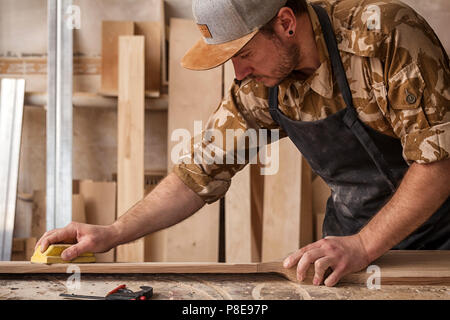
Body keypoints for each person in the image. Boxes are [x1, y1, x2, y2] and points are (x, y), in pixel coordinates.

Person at [36, 0, 450, 287]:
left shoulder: (384, 36)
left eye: (245, 53)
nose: (238, 73)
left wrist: (363, 244)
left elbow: (438, 165)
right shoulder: (258, 88)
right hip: (346, 251)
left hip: (439, 244)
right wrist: (112, 233)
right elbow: (198, 174)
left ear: (287, 23)